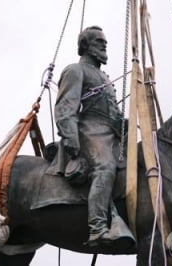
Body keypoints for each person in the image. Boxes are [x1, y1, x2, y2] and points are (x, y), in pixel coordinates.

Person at [54, 26, 126, 246]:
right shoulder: (76, 70)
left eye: (105, 41)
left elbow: (112, 111)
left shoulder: (104, 76)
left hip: (111, 133)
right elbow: (65, 108)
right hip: (88, 130)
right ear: (85, 46)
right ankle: (97, 228)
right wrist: (71, 140)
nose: (104, 45)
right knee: (105, 168)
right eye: (98, 41)